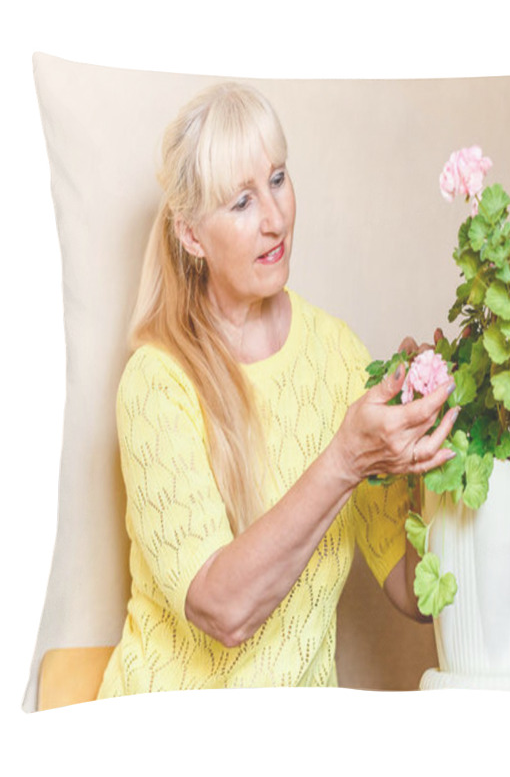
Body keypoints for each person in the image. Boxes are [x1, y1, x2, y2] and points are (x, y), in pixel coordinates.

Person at [96, 82, 458, 696]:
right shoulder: (157, 384)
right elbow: (223, 612)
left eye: (278, 179)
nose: (274, 218)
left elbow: (416, 591)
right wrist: (347, 459)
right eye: (240, 202)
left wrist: (437, 446)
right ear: (191, 236)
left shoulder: (338, 355)